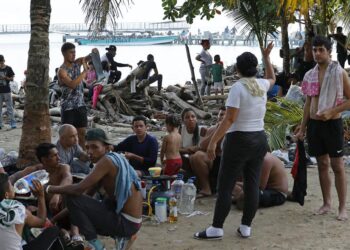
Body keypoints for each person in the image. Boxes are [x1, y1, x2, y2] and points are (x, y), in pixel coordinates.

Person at [194, 42, 275, 240]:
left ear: (237, 69)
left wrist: (213, 142)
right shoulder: (261, 85)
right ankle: (246, 226)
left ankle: (217, 228)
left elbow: (229, 119)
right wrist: (267, 57)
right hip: (259, 138)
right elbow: (272, 77)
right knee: (252, 183)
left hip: (239, 140)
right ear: (255, 69)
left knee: (225, 185)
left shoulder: (238, 88)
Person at [46, 128, 143, 250]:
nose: (89, 152)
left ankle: (98, 245)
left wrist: (48, 188)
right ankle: (121, 237)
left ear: (107, 148)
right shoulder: (113, 160)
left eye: (95, 147)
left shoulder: (107, 161)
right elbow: (82, 199)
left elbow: (78, 190)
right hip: (133, 222)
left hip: (126, 223)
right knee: (82, 202)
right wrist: (53, 220)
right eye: (87, 147)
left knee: (72, 197)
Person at [296, 35, 350, 221]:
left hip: (332, 123)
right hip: (314, 124)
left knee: (337, 165)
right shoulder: (309, 74)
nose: (317, 53)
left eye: (321, 50)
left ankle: (342, 207)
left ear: (329, 52)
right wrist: (302, 128)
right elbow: (308, 103)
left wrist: (332, 111)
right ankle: (327, 203)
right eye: (314, 50)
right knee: (322, 164)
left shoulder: (339, 72)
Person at [0, 173, 62, 250]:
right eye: (11, 186)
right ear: (6, 195)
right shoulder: (17, 209)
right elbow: (41, 222)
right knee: (54, 230)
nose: (13, 187)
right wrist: (40, 196)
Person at [58, 42, 96, 150]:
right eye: (71, 53)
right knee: (67, 136)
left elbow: (87, 58)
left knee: (82, 134)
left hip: (80, 105)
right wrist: (84, 72)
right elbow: (72, 84)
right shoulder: (62, 71)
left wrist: (93, 52)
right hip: (68, 107)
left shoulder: (77, 63)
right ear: (64, 54)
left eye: (74, 52)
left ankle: (82, 156)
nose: (74, 55)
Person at [190, 106, 226, 197]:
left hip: (229, 161)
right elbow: (202, 146)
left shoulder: (235, 129)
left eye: (226, 115)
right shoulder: (212, 129)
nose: (223, 117)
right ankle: (206, 188)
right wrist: (218, 131)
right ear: (217, 116)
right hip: (214, 160)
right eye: (221, 114)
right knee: (196, 156)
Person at [0, 54, 16, 129]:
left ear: (4, 61)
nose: (0, 64)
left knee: (9, 107)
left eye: (1, 62)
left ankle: (12, 123)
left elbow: (12, 79)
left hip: (6, 90)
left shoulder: (9, 68)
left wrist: (5, 78)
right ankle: (0, 124)